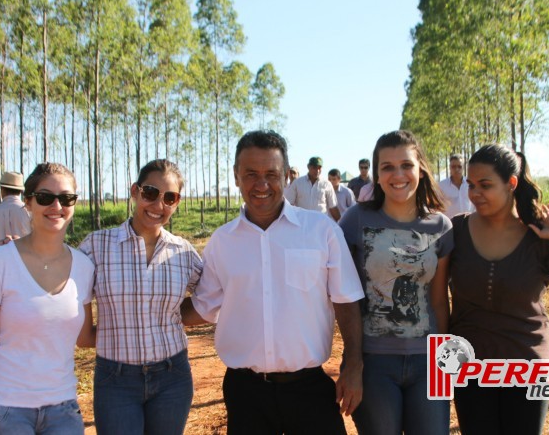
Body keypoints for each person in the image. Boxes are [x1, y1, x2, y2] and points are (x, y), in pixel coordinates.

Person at [181, 130, 365, 435]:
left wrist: (353, 365)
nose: (261, 184)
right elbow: (204, 307)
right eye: (251, 174)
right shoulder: (222, 242)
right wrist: (154, 314)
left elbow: (346, 301)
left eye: (272, 174)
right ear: (236, 176)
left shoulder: (321, 231)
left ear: (287, 176)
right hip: (246, 393)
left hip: (310, 390)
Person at [449, 144, 549, 435]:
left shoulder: (539, 236)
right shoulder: (455, 231)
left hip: (527, 363)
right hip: (469, 365)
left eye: (485, 185)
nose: (474, 194)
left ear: (511, 183)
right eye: (471, 185)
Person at [0, 163, 94, 435]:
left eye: (67, 198)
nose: (56, 206)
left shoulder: (84, 267)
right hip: (5, 409)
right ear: (28, 202)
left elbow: (84, 338)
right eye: (46, 197)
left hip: (64, 409)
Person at [339, 130, 452, 435]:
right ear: (376, 176)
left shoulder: (440, 226)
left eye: (406, 165)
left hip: (428, 364)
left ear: (420, 169)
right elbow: (343, 297)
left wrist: (445, 367)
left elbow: (440, 301)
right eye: (387, 167)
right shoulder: (355, 221)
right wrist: (352, 364)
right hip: (374, 363)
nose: (398, 174)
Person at [79, 159, 202, 435]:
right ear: (134, 192)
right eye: (150, 193)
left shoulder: (184, 253)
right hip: (116, 381)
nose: (159, 205)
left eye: (170, 197)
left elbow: (211, 295)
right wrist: (20, 252)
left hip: (173, 376)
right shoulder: (96, 246)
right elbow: (58, 282)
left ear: (177, 203)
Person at [286, 156, 340, 221]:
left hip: (321, 225)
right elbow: (289, 205)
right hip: (302, 223)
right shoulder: (297, 183)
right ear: (308, 167)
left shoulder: (327, 184)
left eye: (319, 168)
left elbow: (333, 207)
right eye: (314, 167)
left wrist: (341, 224)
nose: (317, 170)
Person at [438, 153, 474, 218]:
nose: (457, 169)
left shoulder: (470, 184)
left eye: (459, 166)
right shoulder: (441, 186)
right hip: (450, 224)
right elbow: (437, 207)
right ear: (449, 168)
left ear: (464, 167)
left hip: (468, 223)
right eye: (453, 167)